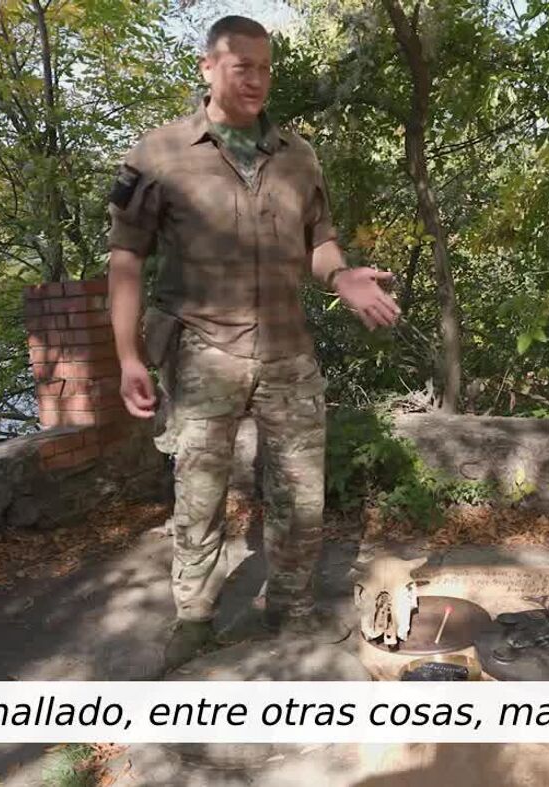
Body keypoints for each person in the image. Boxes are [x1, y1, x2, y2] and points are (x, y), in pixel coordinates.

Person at [106, 15, 402, 673]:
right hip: (202, 349)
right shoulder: (158, 153)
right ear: (208, 68)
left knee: (301, 492)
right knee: (199, 492)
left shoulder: (298, 156)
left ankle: (291, 609)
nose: (257, 80)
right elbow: (126, 259)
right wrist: (127, 356)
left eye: (266, 68)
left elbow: (320, 243)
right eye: (243, 67)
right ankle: (194, 618)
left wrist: (342, 276)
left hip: (287, 350)